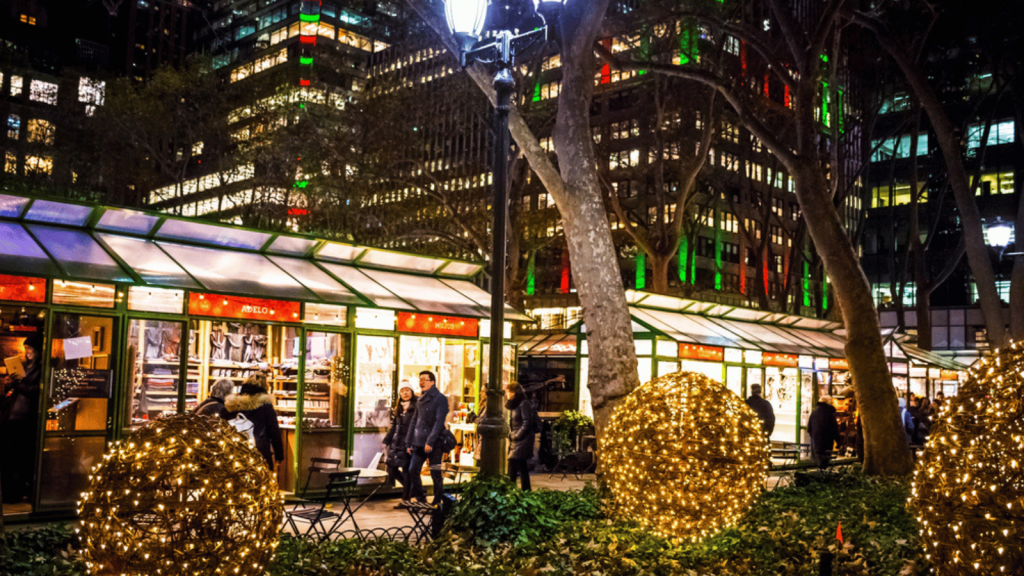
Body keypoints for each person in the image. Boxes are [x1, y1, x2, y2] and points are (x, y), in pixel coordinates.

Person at [2, 333, 43, 503]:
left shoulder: (40, 369)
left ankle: (18, 492)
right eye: (26, 349)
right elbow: (11, 392)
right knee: (9, 456)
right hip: (12, 416)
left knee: (20, 458)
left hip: (26, 420)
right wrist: (9, 383)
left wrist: (18, 383)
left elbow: (35, 391)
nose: (28, 352)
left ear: (38, 350)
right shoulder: (24, 366)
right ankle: (10, 491)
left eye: (31, 349)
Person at [225, 372, 284, 471]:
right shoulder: (266, 406)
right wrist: (279, 455)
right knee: (262, 479)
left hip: (236, 451)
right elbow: (274, 432)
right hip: (259, 450)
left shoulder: (234, 404)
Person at [405, 370, 448, 504]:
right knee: (413, 470)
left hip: (433, 443)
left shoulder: (440, 398)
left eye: (425, 379)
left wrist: (430, 440)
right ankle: (421, 498)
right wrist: (409, 442)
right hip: (418, 442)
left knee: (435, 473)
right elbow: (414, 421)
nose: (421, 382)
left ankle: (437, 501)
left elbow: (439, 422)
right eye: (420, 379)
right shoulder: (420, 398)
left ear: (432, 382)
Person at [383, 382, 417, 508]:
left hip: (408, 444)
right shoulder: (399, 408)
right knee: (391, 468)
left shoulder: (416, 407)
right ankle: (411, 489)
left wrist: (412, 443)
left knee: (406, 471)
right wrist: (387, 440)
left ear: (412, 392)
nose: (405, 393)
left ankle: (406, 499)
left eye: (407, 390)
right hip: (396, 443)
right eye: (402, 391)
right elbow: (394, 427)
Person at [505, 382, 538, 491]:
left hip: (522, 440)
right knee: (521, 466)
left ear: (513, 392)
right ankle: (525, 491)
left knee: (513, 464)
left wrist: (516, 436)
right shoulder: (516, 404)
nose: (506, 394)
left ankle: (511, 490)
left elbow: (527, 422)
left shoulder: (523, 403)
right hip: (518, 439)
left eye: (507, 392)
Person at [807, 396, 840, 470]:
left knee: (819, 460)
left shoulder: (814, 413)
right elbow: (834, 428)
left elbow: (809, 428)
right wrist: (838, 441)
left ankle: (820, 474)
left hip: (816, 442)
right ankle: (823, 475)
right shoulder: (830, 412)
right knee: (825, 461)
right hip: (827, 442)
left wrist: (814, 437)